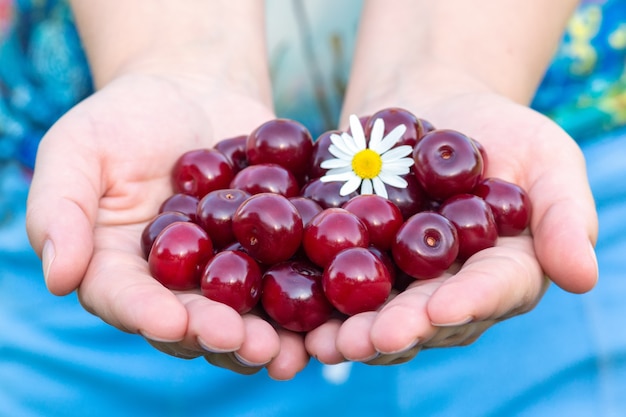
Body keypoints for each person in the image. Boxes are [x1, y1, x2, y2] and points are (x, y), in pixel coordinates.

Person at [1, 0, 622, 415]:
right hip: (105, 234)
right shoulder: (211, 207)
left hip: (562, 151)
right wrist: (180, 63)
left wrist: (449, 67)